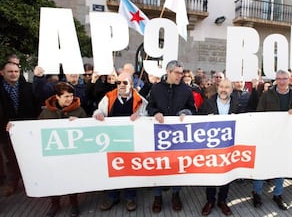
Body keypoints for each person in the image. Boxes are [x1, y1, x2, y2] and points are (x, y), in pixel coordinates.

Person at [93, 71, 148, 212]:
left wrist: (140, 116)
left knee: (130, 169)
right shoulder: (108, 98)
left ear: (132, 83)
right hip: (112, 140)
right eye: (118, 82)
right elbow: (99, 112)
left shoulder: (141, 100)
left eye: (125, 82)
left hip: (132, 142)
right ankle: (112, 196)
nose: (121, 85)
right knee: (113, 169)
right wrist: (98, 115)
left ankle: (130, 197)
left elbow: (147, 117)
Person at [146, 60, 196, 213]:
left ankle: (176, 194)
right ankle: (158, 196)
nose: (180, 75)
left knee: (176, 165)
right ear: (168, 72)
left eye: (182, 73)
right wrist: (156, 113)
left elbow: (192, 108)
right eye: (177, 73)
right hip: (159, 135)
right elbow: (149, 106)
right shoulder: (156, 88)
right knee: (159, 165)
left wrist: (186, 113)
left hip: (177, 135)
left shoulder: (186, 90)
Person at [251, 70, 292, 210]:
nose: (282, 81)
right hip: (268, 137)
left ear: (289, 79)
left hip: (286, 137)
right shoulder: (267, 94)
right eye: (279, 79)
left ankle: (278, 194)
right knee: (262, 166)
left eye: (284, 78)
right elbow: (259, 114)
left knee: (281, 166)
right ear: (275, 80)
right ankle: (256, 193)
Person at [38, 82, 87, 217]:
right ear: (57, 97)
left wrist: (80, 122)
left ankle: (74, 204)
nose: (69, 99)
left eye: (71, 96)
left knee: (72, 178)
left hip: (72, 152)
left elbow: (88, 130)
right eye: (66, 96)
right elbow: (36, 130)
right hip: (53, 153)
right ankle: (55, 204)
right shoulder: (46, 112)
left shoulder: (79, 110)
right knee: (53, 178)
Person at [198, 78, 240, 216]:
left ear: (231, 90)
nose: (223, 89)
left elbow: (246, 122)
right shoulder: (208, 103)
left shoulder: (237, 104)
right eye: (221, 86)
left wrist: (238, 120)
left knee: (226, 173)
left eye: (227, 87)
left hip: (229, 147)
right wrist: (205, 119)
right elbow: (197, 121)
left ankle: (222, 200)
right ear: (217, 88)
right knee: (211, 174)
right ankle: (210, 201)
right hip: (211, 146)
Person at [0, 60, 41, 196]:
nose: (13, 74)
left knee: (28, 156)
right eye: (10, 71)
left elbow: (36, 107)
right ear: (2, 73)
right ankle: (13, 183)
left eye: (16, 71)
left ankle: (30, 181)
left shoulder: (28, 87)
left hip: (27, 131)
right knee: (10, 158)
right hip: (5, 130)